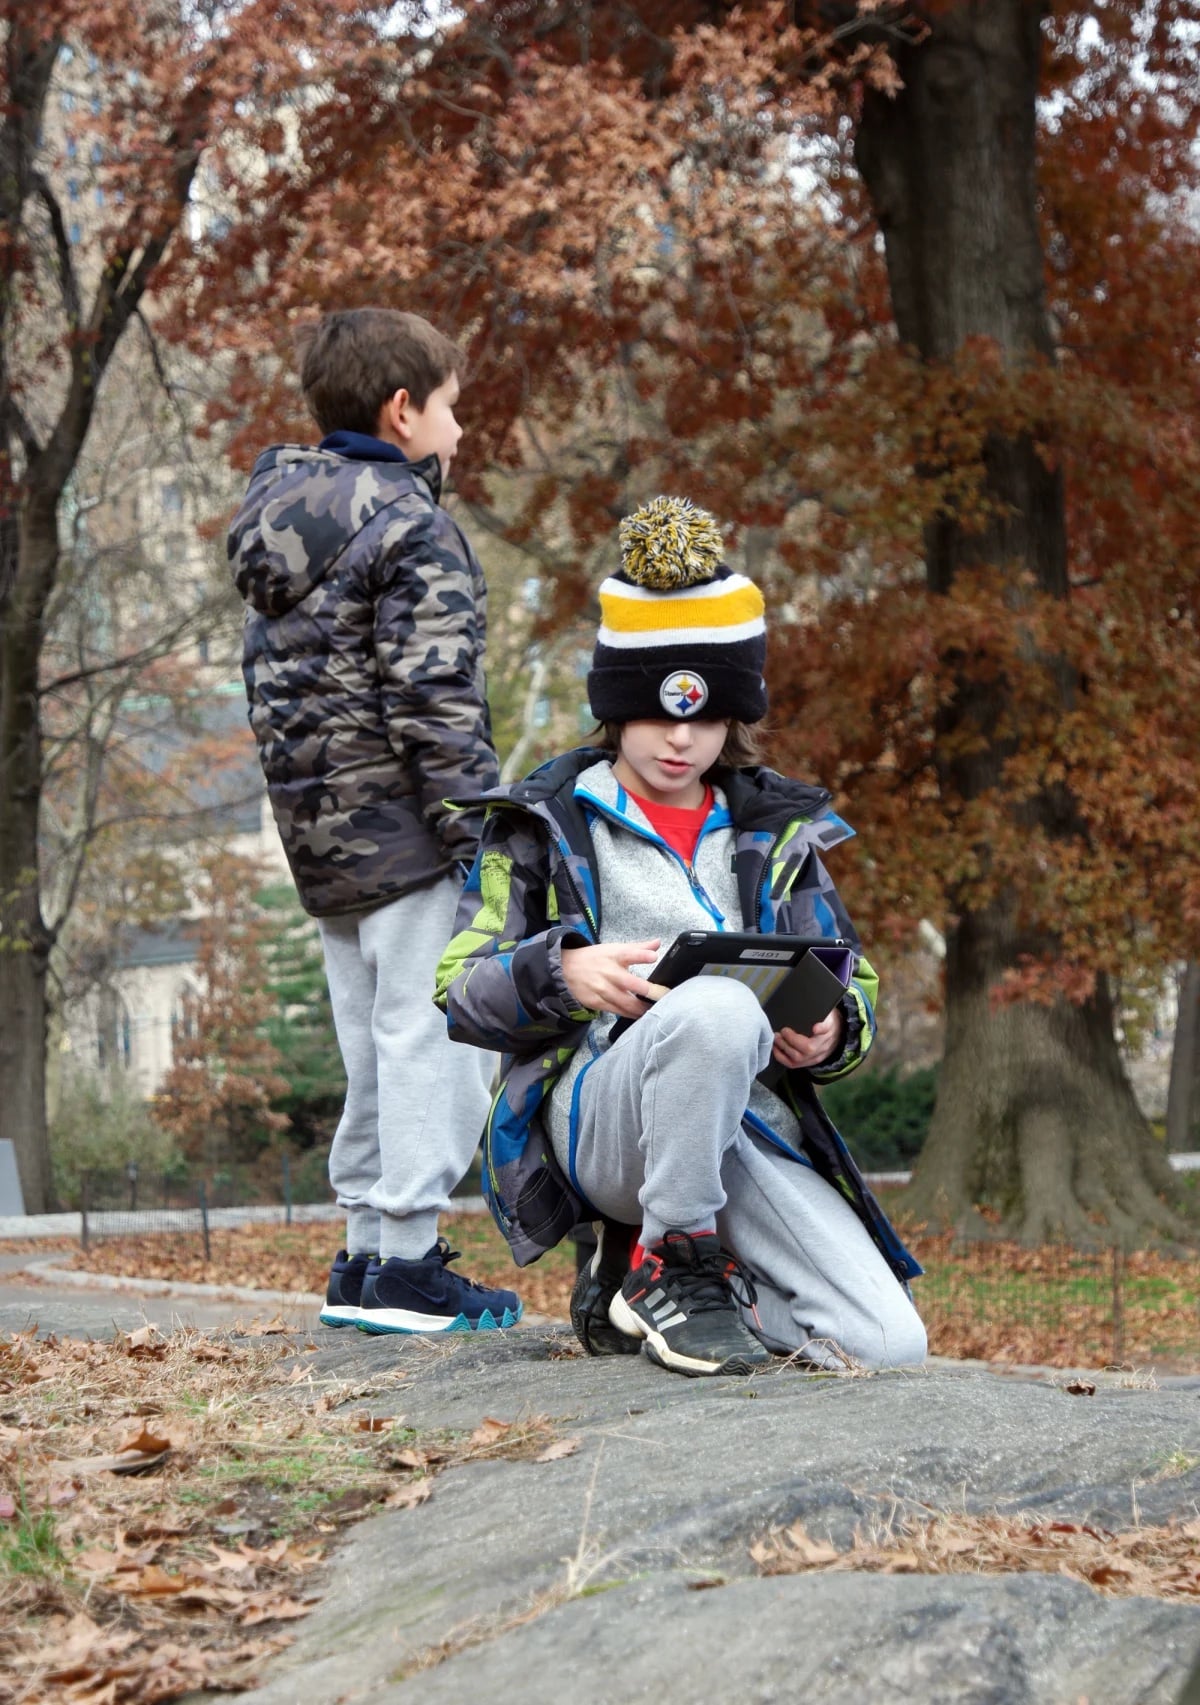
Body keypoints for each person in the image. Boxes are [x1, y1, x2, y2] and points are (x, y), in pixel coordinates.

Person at [435, 495, 925, 1377]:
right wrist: (563, 968)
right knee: (716, 1012)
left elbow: (853, 981)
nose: (680, 736)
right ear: (615, 709)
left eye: (703, 715)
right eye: (657, 712)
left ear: (732, 715)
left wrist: (829, 1030)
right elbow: (459, 986)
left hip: (742, 1125)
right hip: (603, 1120)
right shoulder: (543, 821)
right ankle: (671, 1260)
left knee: (890, 1345)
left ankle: (654, 1284)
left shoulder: (778, 829)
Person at [228, 307, 519, 1335]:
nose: (459, 432)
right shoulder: (411, 525)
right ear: (403, 412)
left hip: (318, 836)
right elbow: (432, 698)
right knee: (433, 1038)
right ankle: (404, 1261)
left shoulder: (282, 523)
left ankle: (361, 1253)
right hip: (404, 832)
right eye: (450, 410)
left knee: (371, 1041)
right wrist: (481, 838)